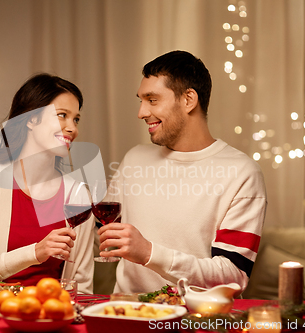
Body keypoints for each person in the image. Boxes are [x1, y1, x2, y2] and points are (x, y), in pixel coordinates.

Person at [98, 51, 267, 294]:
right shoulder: (134, 158)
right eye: (141, 100)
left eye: (152, 100)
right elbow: (102, 235)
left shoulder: (242, 173)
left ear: (189, 100)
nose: (141, 113)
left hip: (194, 321)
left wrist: (149, 253)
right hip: (126, 315)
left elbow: (233, 276)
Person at [0, 73, 94, 292]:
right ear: (30, 119)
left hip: (52, 317)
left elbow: (83, 289)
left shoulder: (79, 196)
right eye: (62, 115)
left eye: (75, 119)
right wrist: (35, 252)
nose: (72, 128)